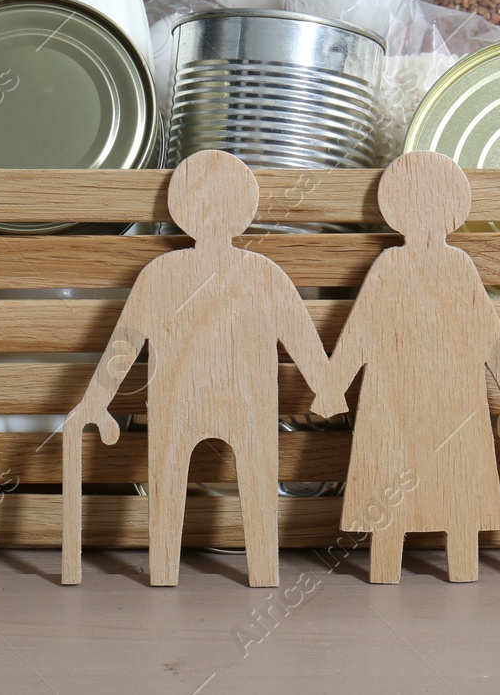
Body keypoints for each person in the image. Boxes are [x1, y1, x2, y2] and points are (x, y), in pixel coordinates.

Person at [64, 149, 331, 587]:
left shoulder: (175, 272)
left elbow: (300, 335)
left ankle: (193, 570)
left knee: (233, 483)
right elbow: (126, 341)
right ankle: (195, 569)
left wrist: (325, 384)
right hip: (198, 399)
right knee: (194, 482)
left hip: (216, 400)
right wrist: (95, 400)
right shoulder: (251, 272)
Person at [312, 151, 500, 583]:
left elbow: (488, 334)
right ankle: (392, 568)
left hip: (448, 401)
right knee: (399, 492)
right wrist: (332, 386)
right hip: (401, 399)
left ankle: (455, 567)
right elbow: (362, 330)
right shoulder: (391, 266)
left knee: (454, 491)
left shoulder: (452, 267)